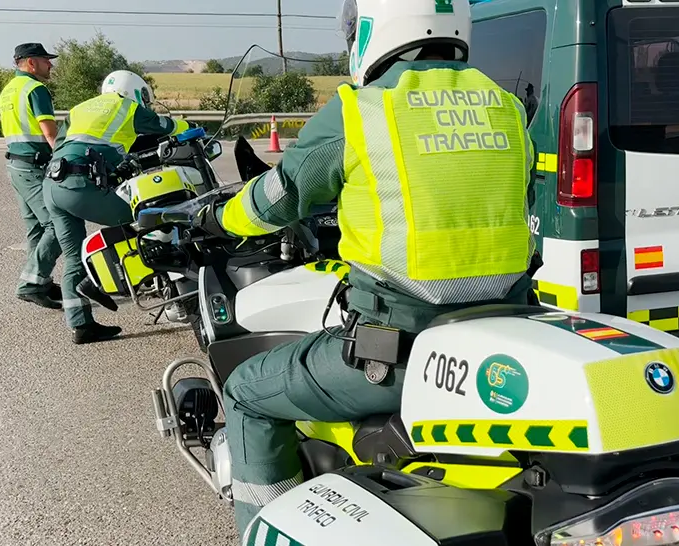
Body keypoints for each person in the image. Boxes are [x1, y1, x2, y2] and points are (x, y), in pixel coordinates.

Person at [192, 0, 537, 537]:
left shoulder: (360, 109)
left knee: (247, 393)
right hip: (502, 336)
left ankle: (259, 528)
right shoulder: (506, 106)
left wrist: (218, 217)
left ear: (373, 26)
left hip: (400, 353)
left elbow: (279, 198)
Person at [42, 70, 191, 344]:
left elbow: (67, 144)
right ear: (134, 90)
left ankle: (81, 325)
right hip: (79, 184)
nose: (144, 101)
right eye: (143, 95)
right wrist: (191, 128)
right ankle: (170, 297)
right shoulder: (126, 106)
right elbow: (165, 127)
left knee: (73, 257)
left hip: (52, 185)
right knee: (151, 221)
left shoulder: (80, 108)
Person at [0, 43, 63, 310]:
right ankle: (31, 284)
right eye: (46, 60)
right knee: (58, 225)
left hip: (16, 165)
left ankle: (40, 281)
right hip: (34, 167)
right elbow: (49, 133)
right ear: (31, 63)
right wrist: (65, 159)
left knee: (36, 227)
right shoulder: (36, 89)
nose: (51, 65)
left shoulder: (8, 90)